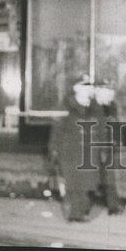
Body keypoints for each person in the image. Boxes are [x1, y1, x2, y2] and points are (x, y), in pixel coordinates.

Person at [48, 75, 100, 222]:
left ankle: (79, 210)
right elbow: (56, 131)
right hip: (69, 151)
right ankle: (75, 214)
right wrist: (53, 149)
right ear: (76, 88)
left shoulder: (94, 107)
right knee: (74, 183)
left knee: (88, 183)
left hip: (89, 152)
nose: (89, 89)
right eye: (85, 86)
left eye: (90, 86)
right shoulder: (66, 106)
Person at [91, 80, 122, 214]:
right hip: (93, 147)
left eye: (111, 91)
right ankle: (83, 206)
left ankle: (113, 206)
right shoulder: (91, 107)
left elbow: (115, 125)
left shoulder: (112, 106)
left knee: (109, 177)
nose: (111, 94)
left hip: (108, 147)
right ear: (98, 91)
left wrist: (116, 141)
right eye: (107, 91)